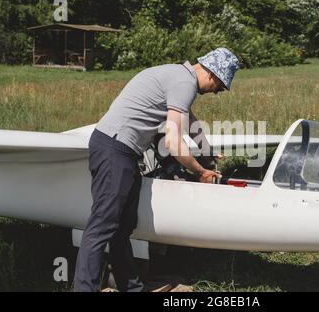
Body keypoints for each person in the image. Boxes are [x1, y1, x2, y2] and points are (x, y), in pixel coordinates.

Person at [74, 48, 240, 292]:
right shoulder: (184, 82)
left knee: (122, 228)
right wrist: (200, 171)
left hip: (125, 152)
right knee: (102, 225)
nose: (217, 92)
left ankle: (131, 288)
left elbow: (189, 121)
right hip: (114, 149)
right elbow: (173, 142)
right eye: (221, 86)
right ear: (213, 75)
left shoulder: (178, 76)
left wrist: (206, 150)